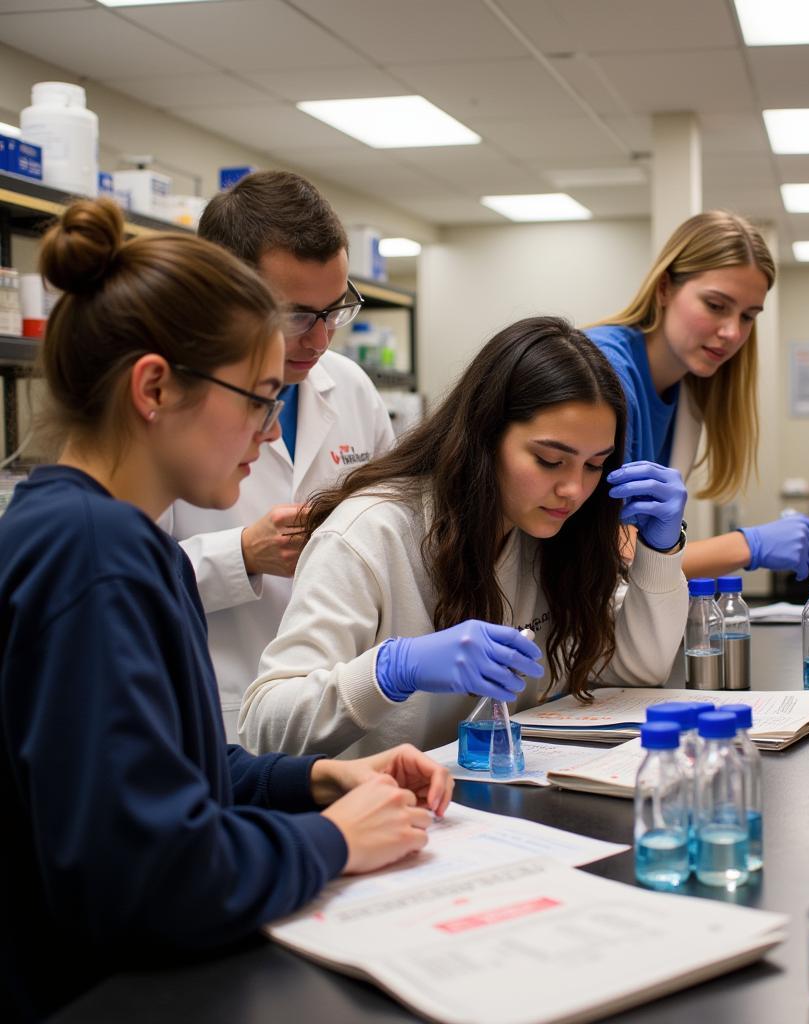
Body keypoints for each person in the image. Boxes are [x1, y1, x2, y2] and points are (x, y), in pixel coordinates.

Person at [0, 199, 452, 1022]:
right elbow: (155, 875)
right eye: (255, 397)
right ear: (154, 388)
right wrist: (336, 839)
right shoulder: (93, 555)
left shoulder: (110, 536)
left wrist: (315, 780)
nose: (270, 427)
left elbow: (187, 772)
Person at [239, 316, 688, 757]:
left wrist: (660, 550)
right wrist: (391, 671)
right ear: (485, 436)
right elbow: (266, 728)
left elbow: (636, 667)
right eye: (551, 460)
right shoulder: (370, 533)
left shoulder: (549, 532)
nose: (574, 489)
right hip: (375, 814)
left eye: (595, 465)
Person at [161, 171, 394, 742]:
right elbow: (123, 580)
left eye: (334, 310)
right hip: (222, 715)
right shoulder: (168, 405)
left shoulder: (350, 386)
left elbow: (398, 521)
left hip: (342, 707)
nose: (319, 341)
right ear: (223, 292)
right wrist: (241, 554)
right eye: (294, 315)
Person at [586, 210, 809, 580]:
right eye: (716, 306)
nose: (732, 332)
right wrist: (747, 546)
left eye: (748, 316)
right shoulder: (605, 371)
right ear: (665, 288)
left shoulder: (690, 384)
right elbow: (616, 552)